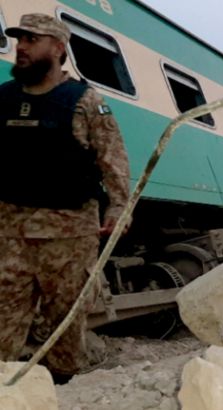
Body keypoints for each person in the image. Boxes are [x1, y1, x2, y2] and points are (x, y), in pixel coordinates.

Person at [0, 14, 130, 377]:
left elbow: (112, 158)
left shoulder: (85, 101)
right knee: (2, 320)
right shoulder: (3, 99)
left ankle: (59, 388)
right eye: (19, 39)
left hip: (70, 236)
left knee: (65, 324)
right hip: (9, 234)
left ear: (58, 48)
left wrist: (120, 206)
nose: (20, 47)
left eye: (31, 40)